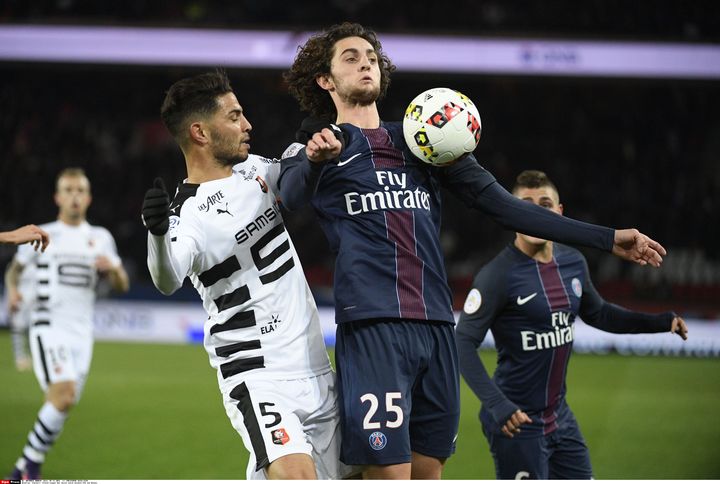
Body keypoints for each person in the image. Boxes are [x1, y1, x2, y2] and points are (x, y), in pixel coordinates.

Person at [278, 22, 667, 479]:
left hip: (438, 326)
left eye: (370, 55)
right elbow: (289, 194)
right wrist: (313, 159)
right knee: (387, 473)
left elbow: (505, 206)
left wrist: (608, 236)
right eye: (350, 57)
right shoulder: (317, 148)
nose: (366, 62)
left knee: (428, 470)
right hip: (373, 327)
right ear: (325, 80)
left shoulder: (422, 140)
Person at [142, 69, 352, 480]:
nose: (248, 124)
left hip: (316, 366)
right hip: (258, 376)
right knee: (296, 476)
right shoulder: (186, 216)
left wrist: (311, 146)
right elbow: (167, 279)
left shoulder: (254, 169)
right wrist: (157, 234)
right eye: (235, 116)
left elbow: (295, 175)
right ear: (201, 132)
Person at [455, 170, 688, 479]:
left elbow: (600, 314)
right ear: (511, 212)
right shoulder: (496, 276)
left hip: (560, 417)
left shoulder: (573, 263)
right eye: (525, 205)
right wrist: (498, 405)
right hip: (518, 421)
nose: (535, 212)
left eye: (545, 204)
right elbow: (461, 342)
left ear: (559, 212)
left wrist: (661, 321)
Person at [6, 168, 130, 480]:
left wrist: (112, 271)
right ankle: (30, 468)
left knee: (62, 404)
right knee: (63, 395)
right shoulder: (41, 233)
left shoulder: (100, 238)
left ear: (88, 198)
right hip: (48, 324)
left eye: (80, 191)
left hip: (82, 331)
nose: (74, 196)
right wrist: (13, 291)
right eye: (68, 190)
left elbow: (122, 285)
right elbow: (14, 270)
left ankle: (22, 466)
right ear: (57, 197)